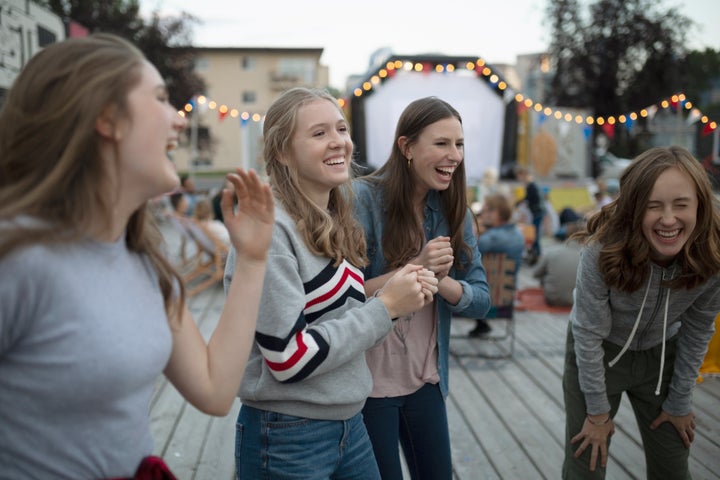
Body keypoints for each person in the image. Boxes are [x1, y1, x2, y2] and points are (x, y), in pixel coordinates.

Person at [0, 34, 275, 479]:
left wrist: (253, 259)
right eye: (161, 99)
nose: (179, 121)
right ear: (107, 116)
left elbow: (214, 389)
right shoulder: (17, 258)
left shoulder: (144, 257)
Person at [223, 87, 438, 480]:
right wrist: (386, 307)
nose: (339, 141)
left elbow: (341, 320)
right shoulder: (270, 231)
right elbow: (289, 359)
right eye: (319, 133)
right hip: (288, 434)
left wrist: (399, 293)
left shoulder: (335, 220)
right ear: (283, 153)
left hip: (349, 424)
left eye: (341, 128)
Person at [353, 96, 491, 479]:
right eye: (442, 143)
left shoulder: (454, 211)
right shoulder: (361, 199)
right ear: (407, 147)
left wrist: (442, 280)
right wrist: (416, 267)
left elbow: (481, 301)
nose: (454, 155)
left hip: (426, 382)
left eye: (459, 144)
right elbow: (343, 294)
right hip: (368, 386)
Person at [562, 145, 720, 479]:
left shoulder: (713, 254)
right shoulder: (602, 250)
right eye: (653, 206)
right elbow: (588, 333)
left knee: (673, 466)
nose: (668, 219)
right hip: (598, 355)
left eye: (681, 205)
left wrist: (679, 402)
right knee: (585, 462)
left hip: (663, 357)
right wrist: (598, 414)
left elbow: (699, 327)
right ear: (634, 209)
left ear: (700, 205)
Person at [469, 192, 525, 337]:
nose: (482, 215)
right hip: (505, 295)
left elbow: (465, 254)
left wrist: (474, 231)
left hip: (486, 298)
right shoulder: (516, 234)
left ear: (496, 213)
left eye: (485, 211)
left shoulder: (492, 238)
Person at [532, 238, 582, 307]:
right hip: (576, 301)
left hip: (553, 299)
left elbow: (535, 274)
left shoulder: (552, 251)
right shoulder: (586, 255)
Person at [516, 165, 545, 264]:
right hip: (537, 211)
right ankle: (536, 254)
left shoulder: (530, 185)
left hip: (537, 212)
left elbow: (529, 198)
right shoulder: (531, 184)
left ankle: (537, 254)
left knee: (534, 234)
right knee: (534, 233)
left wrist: (519, 203)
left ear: (523, 174)